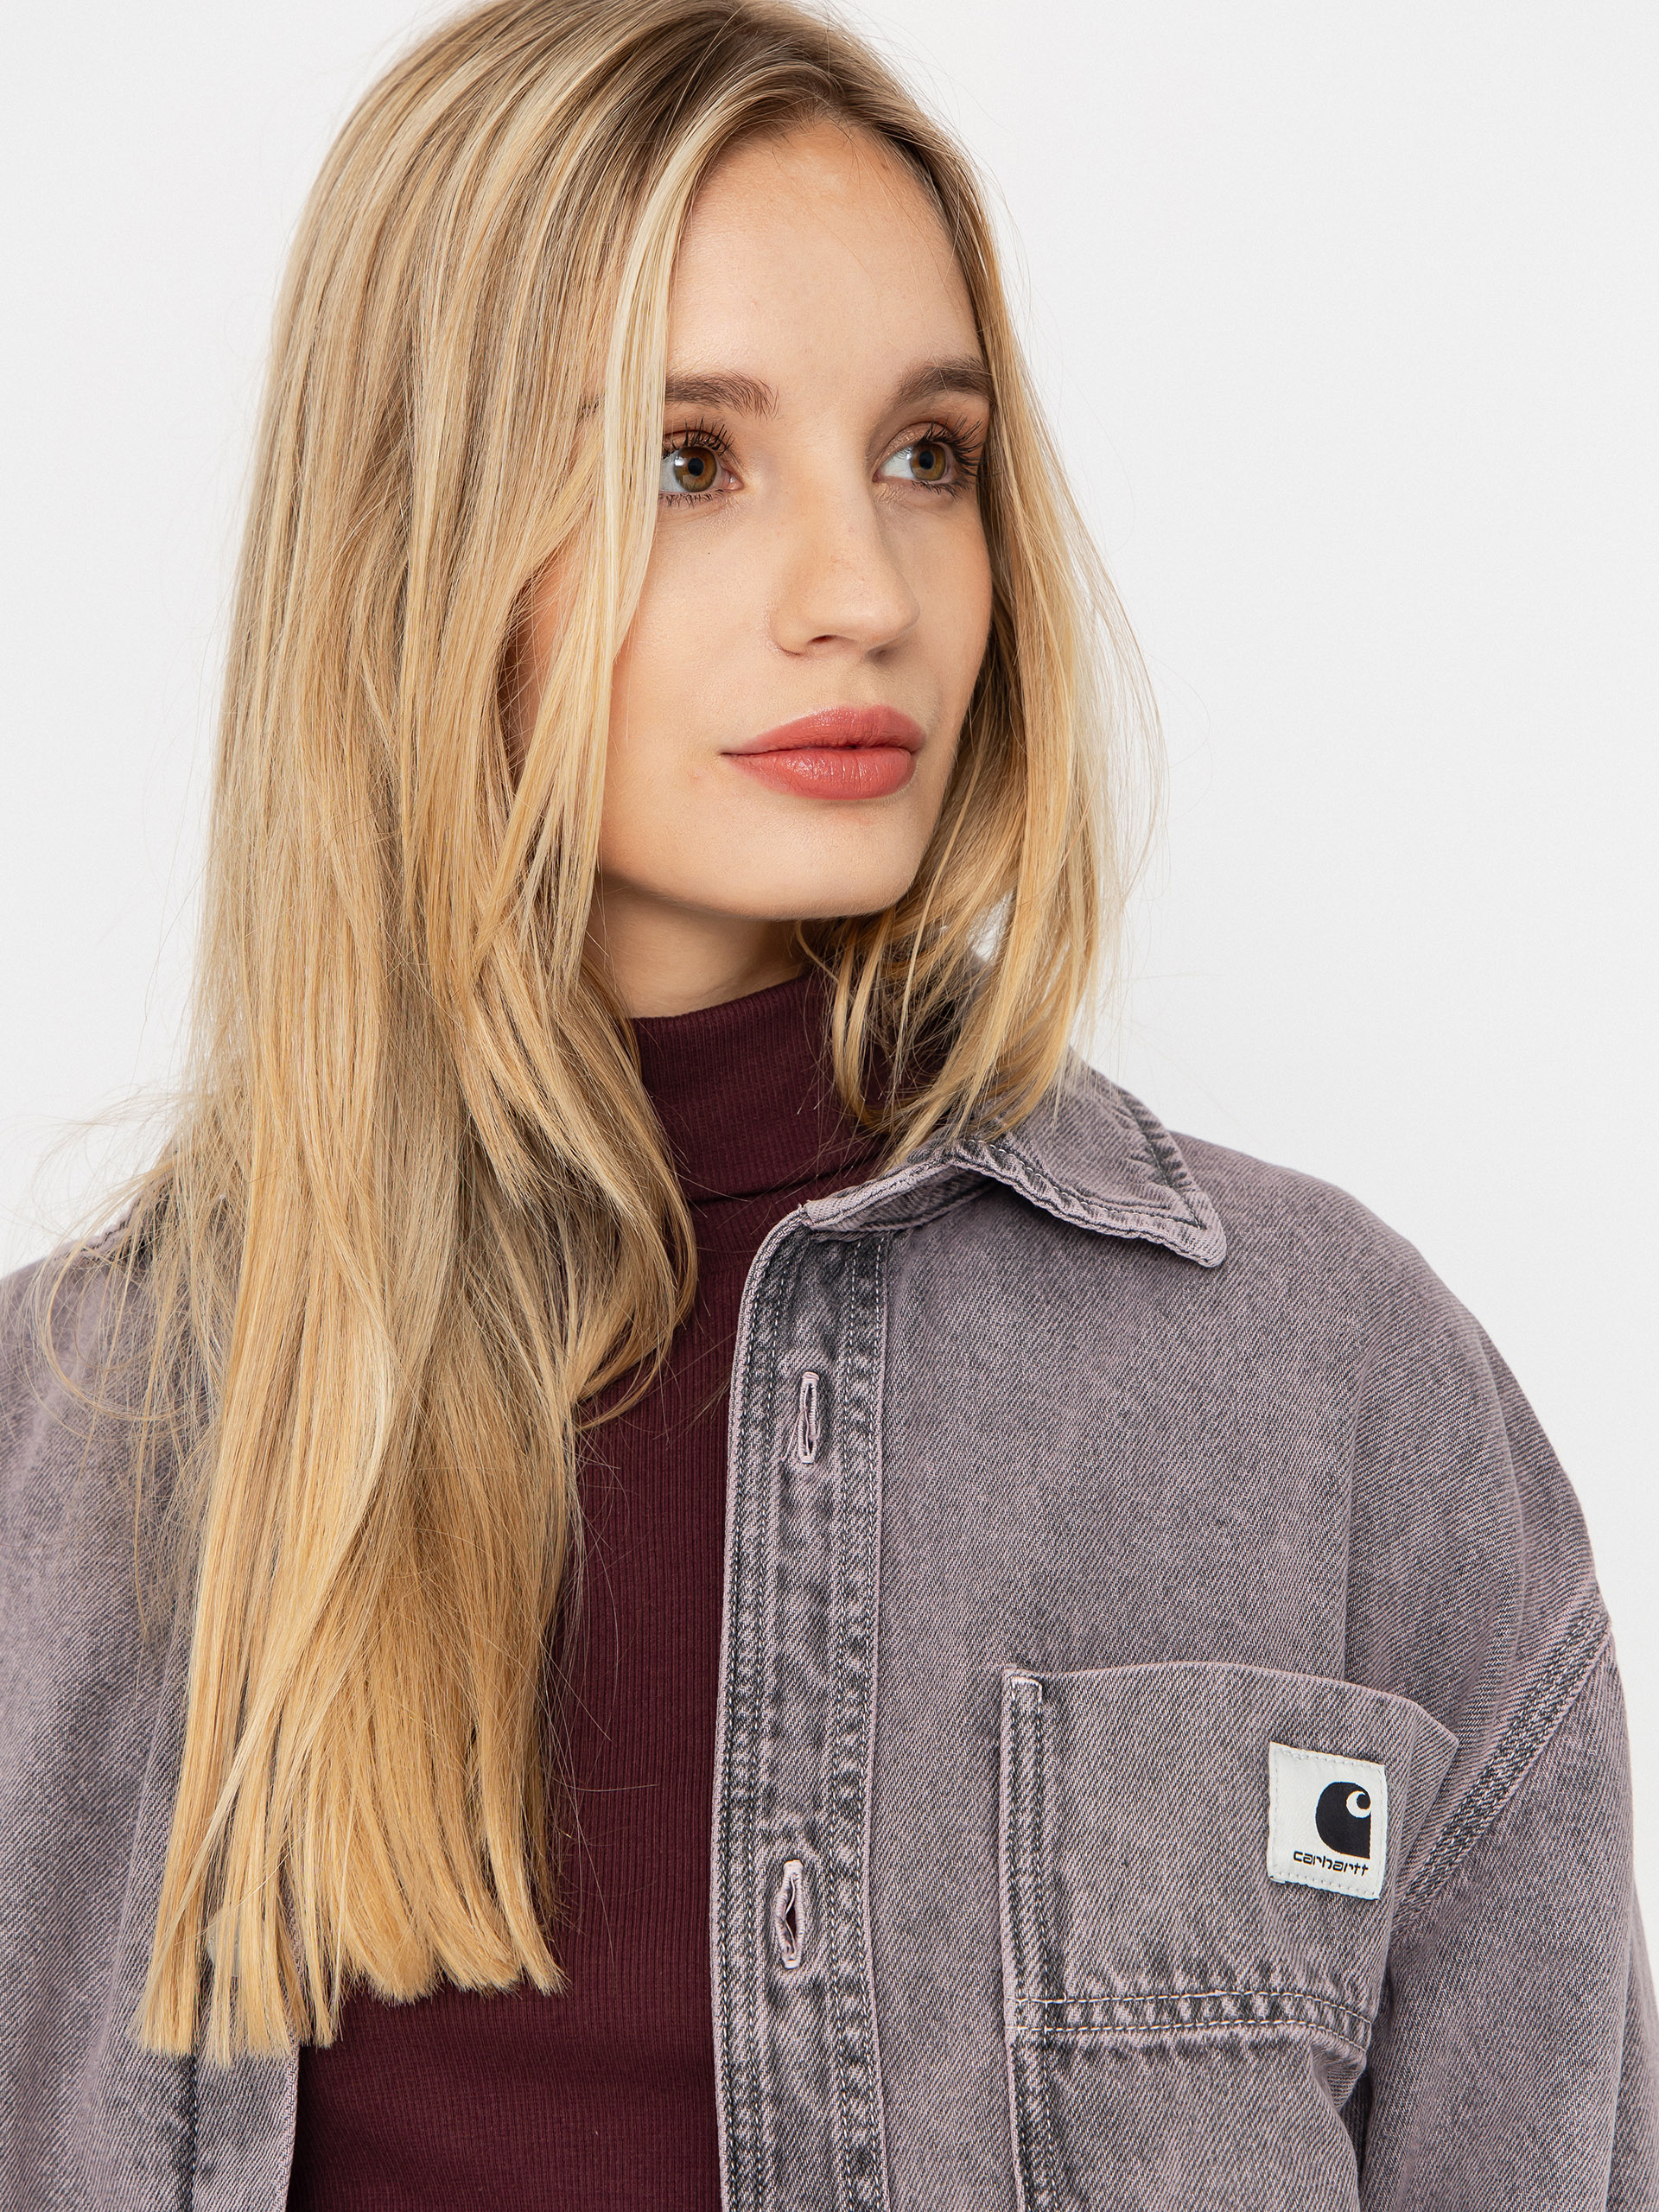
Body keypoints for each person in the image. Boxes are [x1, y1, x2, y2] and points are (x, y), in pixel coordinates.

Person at [1, 1, 1652, 2204]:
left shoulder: (1334, 1401)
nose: (865, 594)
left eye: (927, 456)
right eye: (688, 460)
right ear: (417, 538)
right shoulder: (63, 1467)